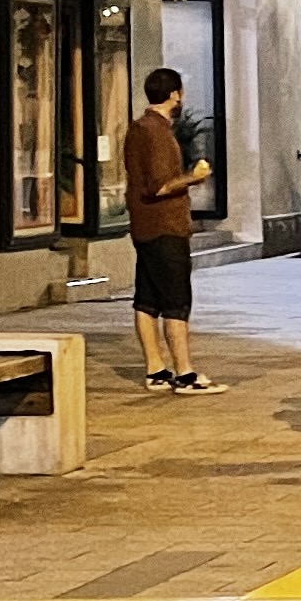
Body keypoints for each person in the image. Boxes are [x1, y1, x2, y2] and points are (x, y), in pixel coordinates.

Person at [124, 69, 222, 393]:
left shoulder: (137, 128)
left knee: (147, 299)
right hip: (166, 225)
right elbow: (160, 185)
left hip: (144, 225)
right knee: (176, 301)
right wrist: (194, 176)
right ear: (174, 95)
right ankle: (185, 373)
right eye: (180, 91)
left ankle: (155, 369)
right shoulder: (158, 133)